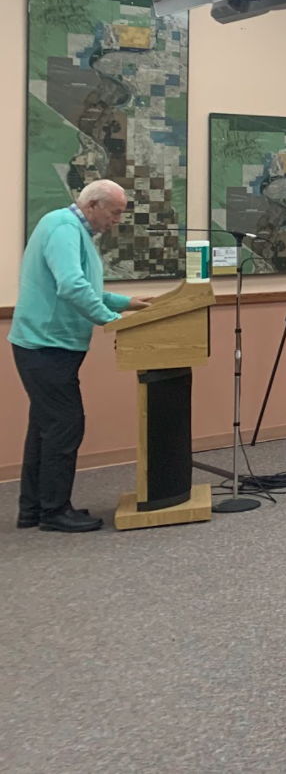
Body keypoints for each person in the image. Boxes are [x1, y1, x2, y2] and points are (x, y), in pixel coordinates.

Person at [8, 180, 149, 533]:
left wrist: (126, 303)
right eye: (114, 213)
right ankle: (54, 510)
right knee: (64, 425)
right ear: (92, 205)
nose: (117, 220)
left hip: (47, 345)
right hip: (45, 345)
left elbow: (86, 285)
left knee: (45, 428)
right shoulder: (63, 227)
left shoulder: (73, 229)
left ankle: (34, 509)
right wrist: (112, 320)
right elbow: (71, 286)